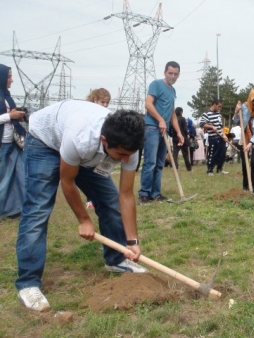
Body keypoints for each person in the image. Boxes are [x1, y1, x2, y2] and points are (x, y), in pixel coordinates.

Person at [15, 100, 148, 312]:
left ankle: (116, 260)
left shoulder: (130, 147)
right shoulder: (80, 138)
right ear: (104, 141)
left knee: (110, 200)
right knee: (37, 210)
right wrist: (84, 220)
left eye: (129, 154)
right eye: (121, 155)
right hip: (45, 140)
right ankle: (28, 284)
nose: (126, 159)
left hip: (87, 153)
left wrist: (131, 241)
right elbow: (67, 181)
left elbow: (125, 195)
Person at [138, 61, 183, 204]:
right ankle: (144, 194)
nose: (172, 76)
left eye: (175, 74)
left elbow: (172, 114)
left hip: (165, 130)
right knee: (150, 162)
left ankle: (155, 193)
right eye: (170, 73)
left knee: (159, 163)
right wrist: (160, 120)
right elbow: (148, 104)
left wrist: (179, 132)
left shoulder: (172, 91)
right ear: (165, 72)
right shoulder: (156, 84)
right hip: (152, 128)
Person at [0, 64, 26, 220]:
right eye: (9, 76)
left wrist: (18, 116)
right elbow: (8, 117)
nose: (12, 80)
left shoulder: (6, 96)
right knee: (4, 178)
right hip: (2, 144)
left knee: (19, 176)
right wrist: (10, 116)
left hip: (13, 142)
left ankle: (14, 209)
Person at [85, 88, 112, 209]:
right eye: (102, 102)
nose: (105, 105)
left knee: (102, 173)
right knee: (88, 175)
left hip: (103, 151)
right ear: (95, 100)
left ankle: (102, 199)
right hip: (88, 150)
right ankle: (90, 200)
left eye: (107, 102)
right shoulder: (86, 113)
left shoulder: (107, 115)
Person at [199, 99, 228, 175]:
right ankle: (210, 170)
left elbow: (221, 126)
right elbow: (202, 124)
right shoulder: (206, 113)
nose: (219, 108)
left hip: (221, 137)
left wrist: (224, 135)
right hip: (213, 137)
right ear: (214, 104)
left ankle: (219, 169)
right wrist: (211, 127)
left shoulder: (218, 114)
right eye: (219, 106)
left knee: (222, 154)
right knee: (213, 154)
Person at [171, 107, 191, 171]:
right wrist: (187, 135)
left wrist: (172, 135)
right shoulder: (182, 119)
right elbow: (185, 129)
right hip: (183, 138)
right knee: (185, 154)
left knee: (175, 154)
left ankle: (175, 167)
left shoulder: (172, 119)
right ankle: (188, 168)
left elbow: (170, 129)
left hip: (175, 138)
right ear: (181, 112)